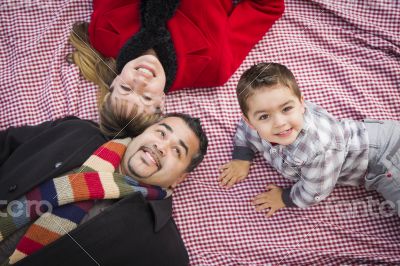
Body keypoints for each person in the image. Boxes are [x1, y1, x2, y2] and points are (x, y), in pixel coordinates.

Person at [0, 113, 208, 265]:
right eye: (161, 133)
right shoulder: (77, 132)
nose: (161, 147)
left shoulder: (165, 252)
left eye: (177, 150)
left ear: (180, 178)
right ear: (142, 132)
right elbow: (6, 144)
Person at [219, 62, 400, 218]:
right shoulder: (253, 126)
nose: (280, 123)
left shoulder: (318, 149)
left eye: (286, 109)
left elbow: (315, 191)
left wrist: (284, 197)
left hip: (386, 157)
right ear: (249, 120)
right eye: (264, 116)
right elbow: (245, 132)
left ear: (301, 103)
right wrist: (242, 157)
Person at [69, 0, 285, 116]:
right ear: (161, 103)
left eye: (126, 89)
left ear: (113, 83)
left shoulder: (104, 34)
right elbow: (267, 6)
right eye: (145, 98)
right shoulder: (213, 67)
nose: (140, 82)